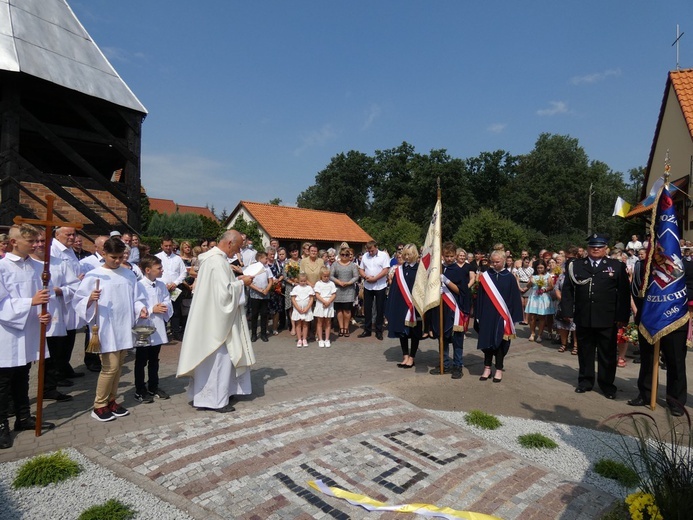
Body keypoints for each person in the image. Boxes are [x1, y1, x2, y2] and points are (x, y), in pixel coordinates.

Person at [177, 230, 255, 412]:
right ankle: (215, 401)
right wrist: (242, 282)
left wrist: (237, 281)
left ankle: (210, 396)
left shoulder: (212, 260)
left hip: (210, 318)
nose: (236, 253)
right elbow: (224, 295)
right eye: (236, 248)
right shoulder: (217, 262)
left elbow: (220, 289)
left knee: (212, 362)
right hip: (217, 322)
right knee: (219, 360)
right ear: (229, 243)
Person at [73, 237, 148, 421]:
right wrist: (90, 298)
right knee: (110, 367)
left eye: (120, 257)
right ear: (104, 254)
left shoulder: (128, 274)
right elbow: (78, 301)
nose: (117, 261)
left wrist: (141, 308)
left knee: (119, 365)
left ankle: (111, 400)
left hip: (124, 326)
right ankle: (99, 404)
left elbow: (136, 298)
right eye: (113, 257)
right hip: (106, 328)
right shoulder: (94, 275)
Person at [0, 224, 52, 448]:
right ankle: (2, 424)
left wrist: (42, 315)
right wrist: (30, 303)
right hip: (7, 332)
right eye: (31, 241)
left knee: (23, 376)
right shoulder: (2, 267)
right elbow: (1, 303)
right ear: (14, 242)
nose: (36, 245)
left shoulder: (35, 267)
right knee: (3, 382)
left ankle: (23, 417)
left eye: (37, 241)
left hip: (29, 328)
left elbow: (42, 298)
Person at [562, 233, 630, 399]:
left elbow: (623, 293)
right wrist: (567, 311)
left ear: (605, 249)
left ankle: (607, 385)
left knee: (607, 354)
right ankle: (585, 381)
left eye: (599, 247)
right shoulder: (576, 265)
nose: (595, 249)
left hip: (607, 317)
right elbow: (568, 290)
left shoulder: (616, 266)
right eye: (592, 246)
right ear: (587, 248)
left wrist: (622, 316)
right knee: (585, 351)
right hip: (584, 315)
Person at [627, 255, 692, 416]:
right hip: (649, 319)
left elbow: (691, 288)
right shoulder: (643, 265)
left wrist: (670, 299)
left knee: (675, 361)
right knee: (648, 360)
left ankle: (676, 401)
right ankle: (646, 394)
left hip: (675, 319)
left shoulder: (687, 265)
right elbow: (636, 290)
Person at [30, 233, 76, 402]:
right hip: (30, 317)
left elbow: (74, 285)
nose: (40, 244)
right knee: (26, 360)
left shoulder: (58, 263)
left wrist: (60, 290)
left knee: (53, 356)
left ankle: (49, 388)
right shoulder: (26, 263)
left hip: (54, 315)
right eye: (36, 241)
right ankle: (15, 399)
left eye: (43, 241)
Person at [475, 251, 523, 383]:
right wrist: (478, 314)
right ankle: (487, 367)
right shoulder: (485, 276)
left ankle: (499, 369)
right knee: (487, 342)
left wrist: (514, 318)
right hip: (487, 314)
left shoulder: (510, 277)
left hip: (503, 316)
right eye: (493, 262)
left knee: (501, 343)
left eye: (498, 262)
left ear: (504, 261)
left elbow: (515, 299)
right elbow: (480, 297)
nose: (495, 264)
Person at [429, 242, 471, 379]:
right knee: (443, 338)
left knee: (457, 340)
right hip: (441, 309)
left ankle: (458, 366)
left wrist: (446, 282)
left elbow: (461, 291)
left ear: (455, 255)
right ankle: (444, 363)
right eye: (446, 256)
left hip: (454, 309)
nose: (449, 258)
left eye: (451, 256)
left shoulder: (458, 271)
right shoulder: (438, 269)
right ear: (442, 255)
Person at [134, 255, 173, 404]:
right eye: (159, 268)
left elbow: (166, 300)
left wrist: (164, 306)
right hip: (143, 326)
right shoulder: (138, 285)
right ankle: (139, 389)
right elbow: (135, 304)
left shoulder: (161, 284)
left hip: (157, 326)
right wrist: (151, 309)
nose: (162, 270)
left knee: (154, 359)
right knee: (141, 360)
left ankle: (153, 386)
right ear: (147, 270)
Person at [385, 244, 421, 369]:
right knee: (402, 333)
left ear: (414, 254)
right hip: (401, 305)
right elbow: (394, 289)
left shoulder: (420, 269)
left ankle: (412, 357)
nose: (406, 257)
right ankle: (405, 356)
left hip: (414, 306)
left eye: (409, 254)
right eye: (404, 254)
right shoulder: (399, 270)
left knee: (414, 333)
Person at [358, 240, 391, 340]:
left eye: (372, 250)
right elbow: (361, 269)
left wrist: (375, 278)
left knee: (379, 308)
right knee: (367, 308)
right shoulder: (365, 256)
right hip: (368, 285)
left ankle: (379, 330)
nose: (370, 252)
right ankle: (367, 329)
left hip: (380, 285)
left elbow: (386, 270)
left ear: (376, 247)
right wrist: (365, 276)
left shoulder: (383, 256)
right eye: (368, 250)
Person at [156, 237, 187, 340]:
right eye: (166, 246)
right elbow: (154, 271)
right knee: (162, 309)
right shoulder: (157, 257)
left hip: (175, 288)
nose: (168, 248)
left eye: (170, 245)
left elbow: (183, 273)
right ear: (162, 246)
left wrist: (175, 283)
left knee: (175, 310)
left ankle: (176, 333)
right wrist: (164, 284)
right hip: (162, 288)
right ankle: (162, 333)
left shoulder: (177, 258)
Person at [525, 260, 554, 343]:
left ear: (544, 267)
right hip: (534, 296)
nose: (539, 269)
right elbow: (528, 286)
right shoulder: (533, 276)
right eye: (538, 268)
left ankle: (540, 334)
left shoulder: (547, 276)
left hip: (543, 297)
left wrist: (544, 289)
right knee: (532, 317)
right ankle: (532, 333)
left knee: (542, 317)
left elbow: (551, 286)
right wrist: (530, 282)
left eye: (541, 268)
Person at [248, 251, 273, 342]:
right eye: (265, 258)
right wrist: (258, 289)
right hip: (255, 294)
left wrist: (266, 290)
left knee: (264, 314)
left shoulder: (267, 268)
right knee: (254, 314)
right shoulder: (253, 267)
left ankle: (263, 334)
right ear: (260, 258)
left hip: (265, 295)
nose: (267, 260)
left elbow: (270, 280)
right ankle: (254, 334)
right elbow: (249, 282)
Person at [313, 267, 336, 347]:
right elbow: (317, 294)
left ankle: (327, 339)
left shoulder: (331, 284)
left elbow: (334, 294)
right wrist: (324, 301)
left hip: (329, 304)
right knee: (320, 322)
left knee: (328, 322)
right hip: (320, 304)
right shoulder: (318, 284)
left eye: (327, 276)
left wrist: (328, 302)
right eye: (324, 276)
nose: (326, 278)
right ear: (321, 276)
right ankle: (320, 339)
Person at [291, 273, 315, 347]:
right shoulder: (296, 288)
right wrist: (298, 308)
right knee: (298, 324)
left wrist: (307, 308)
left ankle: (304, 338)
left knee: (305, 324)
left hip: (306, 309)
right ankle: (299, 339)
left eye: (304, 281)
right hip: (298, 309)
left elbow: (311, 299)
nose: (303, 282)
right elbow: (293, 299)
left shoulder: (309, 288)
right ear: (298, 281)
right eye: (301, 281)